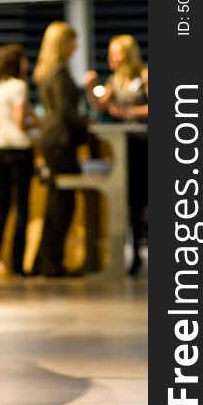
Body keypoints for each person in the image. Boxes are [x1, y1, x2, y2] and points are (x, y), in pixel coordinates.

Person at [84, 34, 148, 275]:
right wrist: (90, 88)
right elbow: (100, 106)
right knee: (132, 201)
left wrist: (129, 111)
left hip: (145, 144)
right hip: (125, 147)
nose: (111, 57)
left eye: (115, 52)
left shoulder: (144, 76)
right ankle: (133, 256)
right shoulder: (115, 80)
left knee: (143, 199)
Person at [30, 21, 88, 277]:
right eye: (73, 41)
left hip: (52, 140)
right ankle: (52, 263)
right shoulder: (60, 75)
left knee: (56, 202)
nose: (76, 46)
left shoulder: (48, 73)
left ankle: (44, 262)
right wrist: (85, 131)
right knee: (62, 204)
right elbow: (67, 114)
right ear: (64, 44)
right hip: (61, 142)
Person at [0, 43, 34, 277]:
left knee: (1, 207)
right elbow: (20, 121)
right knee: (21, 207)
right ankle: (17, 264)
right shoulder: (19, 86)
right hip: (19, 147)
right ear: (17, 61)